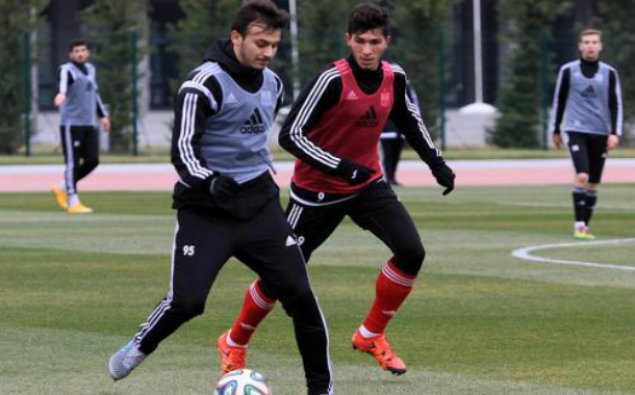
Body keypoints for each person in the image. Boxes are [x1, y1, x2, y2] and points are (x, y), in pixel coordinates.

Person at [216, 2, 455, 377]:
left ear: (386, 42)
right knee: (280, 277)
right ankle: (234, 341)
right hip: (315, 193)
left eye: (374, 41)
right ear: (348, 39)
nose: (366, 49)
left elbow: (410, 120)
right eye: (359, 41)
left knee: (411, 252)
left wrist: (436, 163)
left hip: (368, 186)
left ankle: (370, 334)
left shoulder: (395, 77)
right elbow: (290, 134)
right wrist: (341, 166)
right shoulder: (331, 79)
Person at [107, 2, 333, 394]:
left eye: (275, 45)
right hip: (206, 209)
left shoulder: (273, 84)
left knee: (300, 294)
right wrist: (208, 181)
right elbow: (183, 150)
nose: (267, 52)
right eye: (260, 43)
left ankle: (322, 389)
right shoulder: (202, 84)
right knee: (188, 302)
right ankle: (141, 344)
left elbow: (255, 139)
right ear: (236, 38)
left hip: (259, 205)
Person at [550, 28, 623, 240]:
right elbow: (559, 100)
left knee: (592, 183)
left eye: (594, 42)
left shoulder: (609, 73)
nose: (590, 46)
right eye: (586, 42)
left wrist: (614, 133)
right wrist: (555, 129)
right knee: (582, 175)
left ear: (600, 46)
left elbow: (615, 103)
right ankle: (579, 224)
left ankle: (585, 225)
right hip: (576, 129)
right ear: (580, 46)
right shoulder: (568, 70)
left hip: (600, 132)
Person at [50, 39, 110, 214]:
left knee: (93, 161)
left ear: (87, 53)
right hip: (71, 124)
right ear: (71, 54)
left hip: (89, 123)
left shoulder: (91, 69)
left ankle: (61, 186)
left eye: (83, 50)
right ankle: (73, 201)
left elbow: (94, 94)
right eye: (76, 51)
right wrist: (61, 94)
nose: (80, 53)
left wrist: (103, 116)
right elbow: (62, 85)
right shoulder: (67, 70)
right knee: (72, 163)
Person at [380, 80, 420, 185]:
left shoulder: (405, 84)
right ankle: (389, 178)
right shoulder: (379, 83)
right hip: (386, 128)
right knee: (388, 154)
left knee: (396, 154)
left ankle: (392, 177)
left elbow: (413, 102)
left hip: (400, 127)